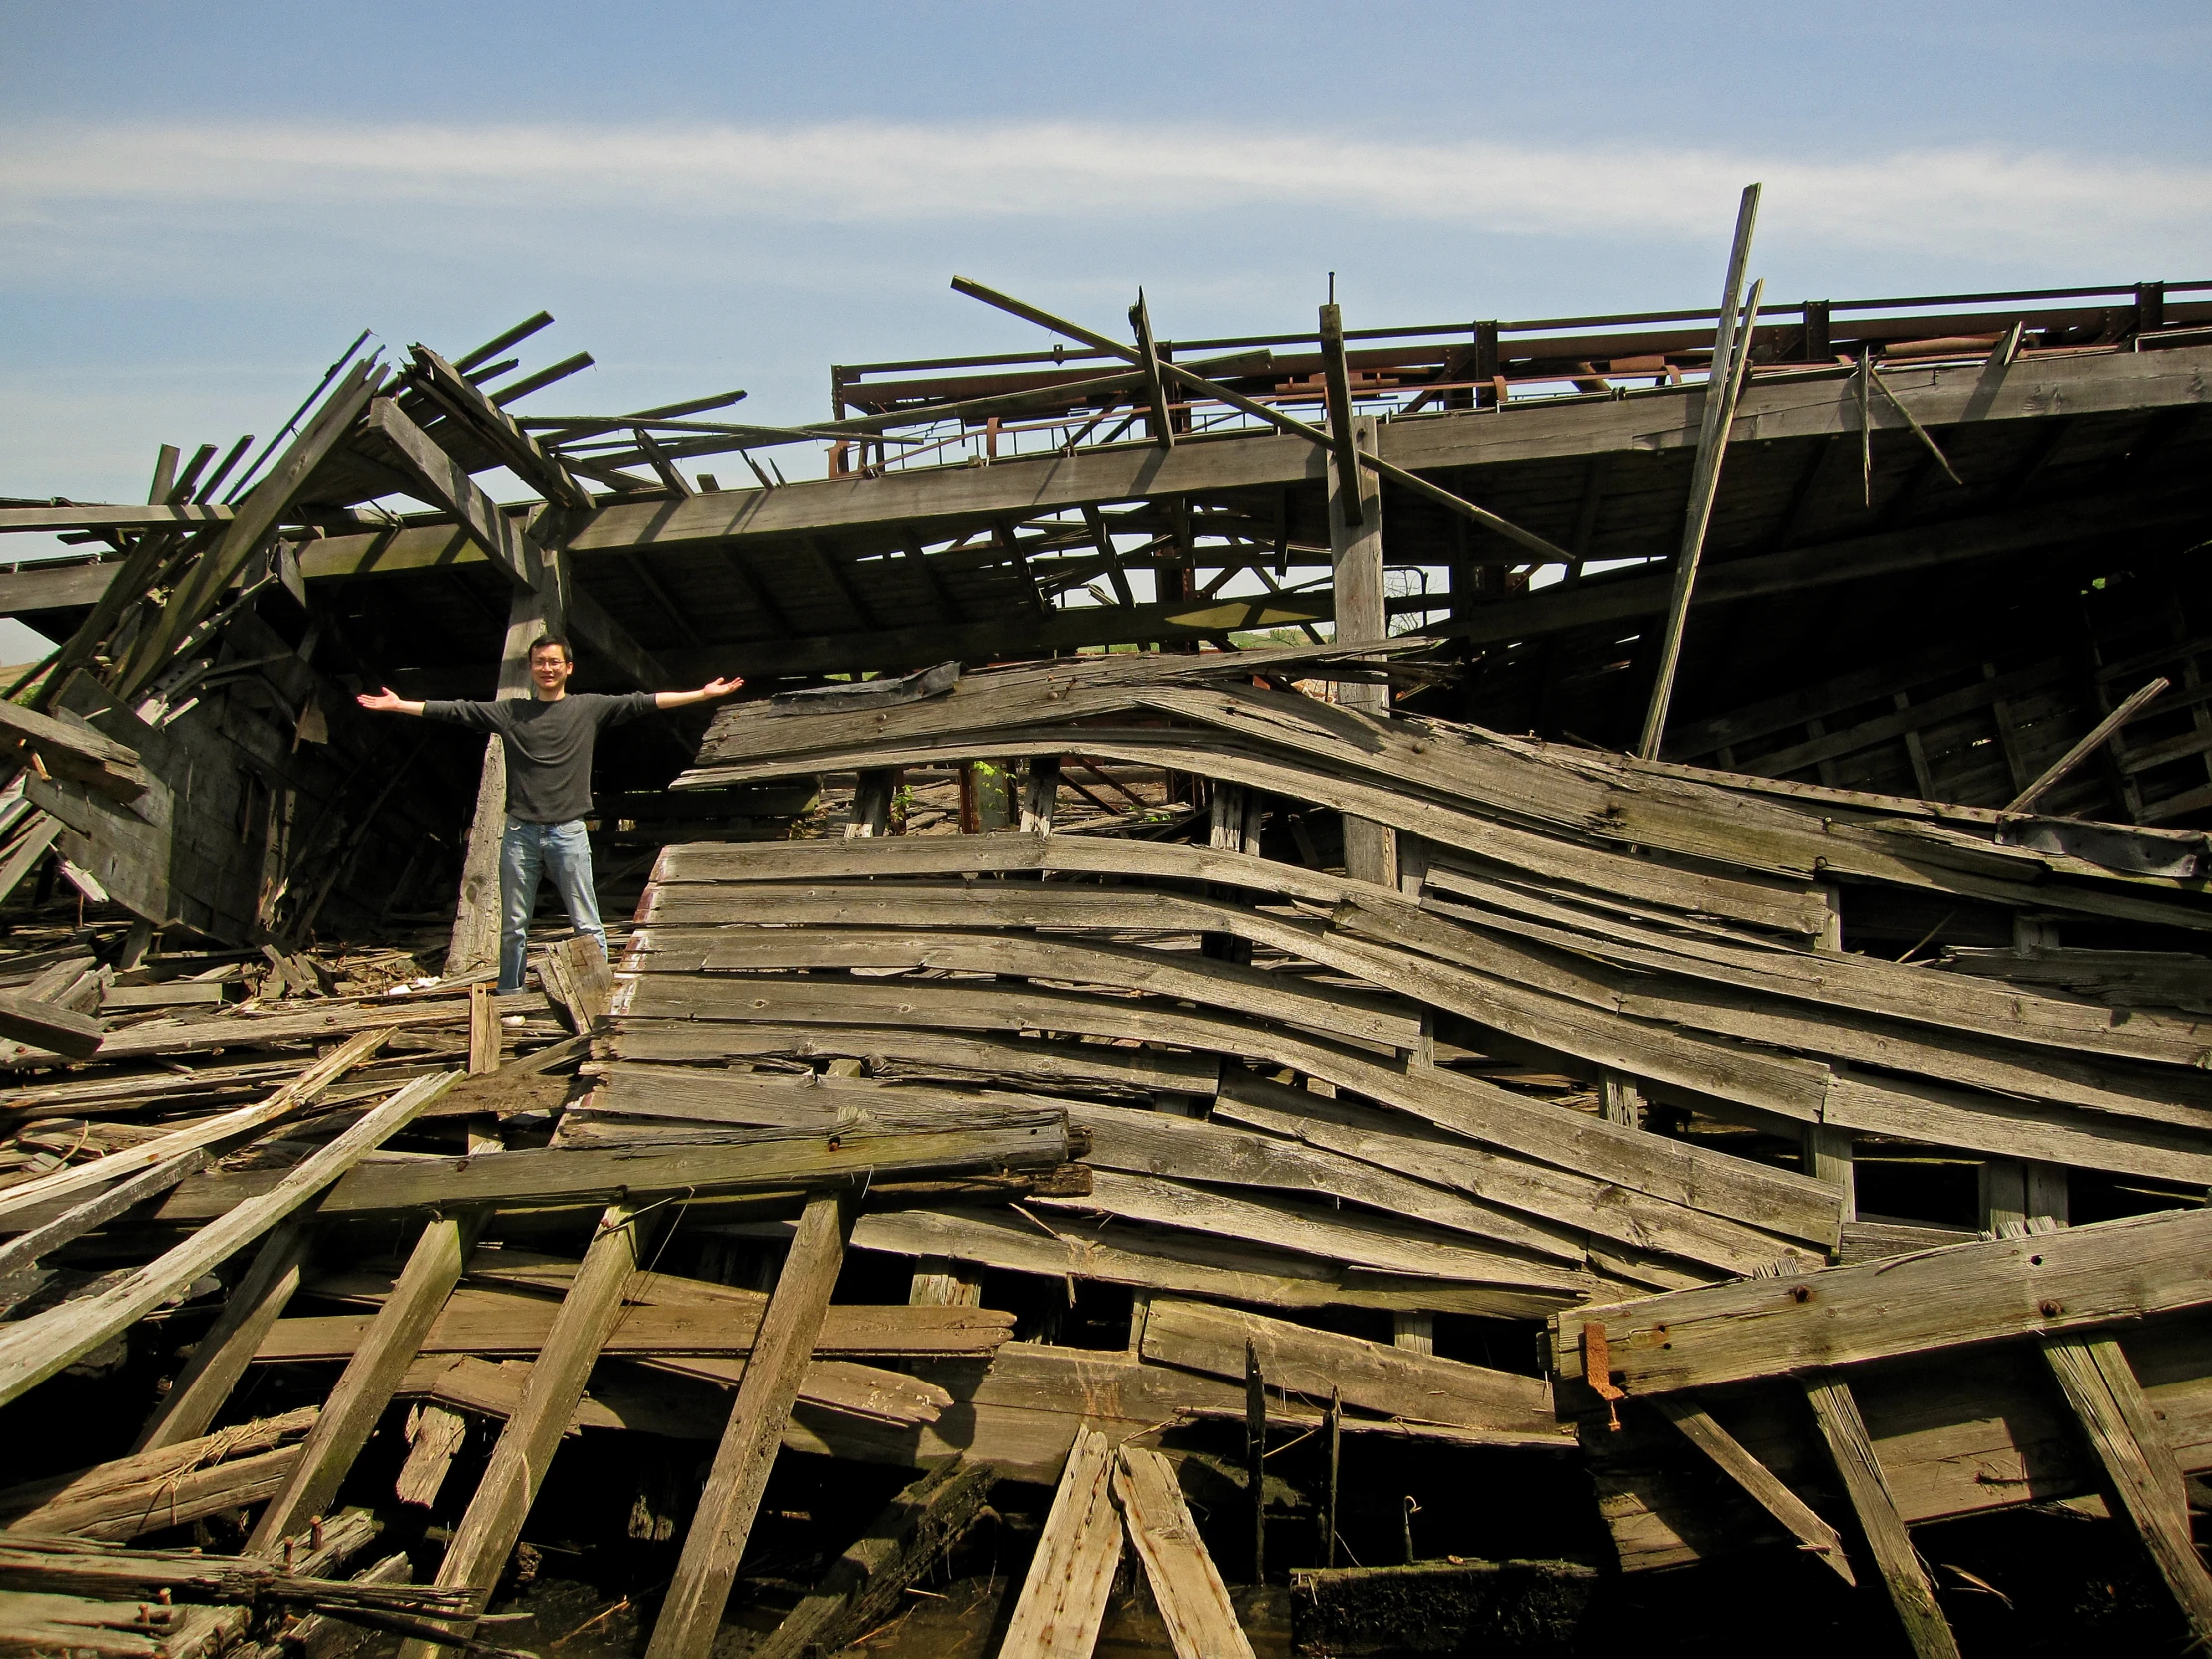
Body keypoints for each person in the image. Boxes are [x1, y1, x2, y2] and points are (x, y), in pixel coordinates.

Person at [357, 638, 742, 994]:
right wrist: (400, 704)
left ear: (568, 668)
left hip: (569, 832)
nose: (547, 667)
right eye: (540, 662)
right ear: (531, 668)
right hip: (520, 833)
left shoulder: (588, 708)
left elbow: (644, 701)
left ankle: (598, 994)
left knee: (586, 923)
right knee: (513, 927)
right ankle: (510, 997)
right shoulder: (512, 712)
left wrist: (702, 695)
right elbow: (456, 710)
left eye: (554, 661)